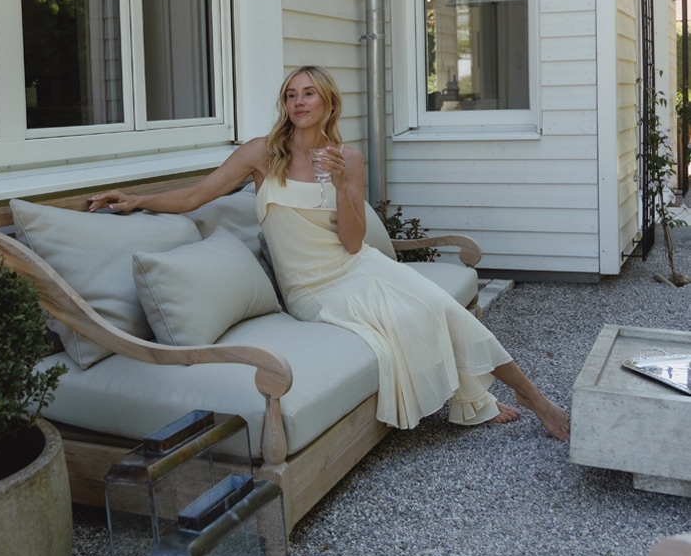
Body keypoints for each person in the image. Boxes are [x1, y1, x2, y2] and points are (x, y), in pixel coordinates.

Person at [88, 66, 570, 441]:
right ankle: (481, 397)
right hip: (311, 289)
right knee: (409, 317)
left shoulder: (348, 158)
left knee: (442, 307)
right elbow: (197, 195)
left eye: (308, 93)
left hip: (357, 265)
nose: (298, 102)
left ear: (328, 103)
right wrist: (137, 200)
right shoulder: (261, 153)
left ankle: (537, 402)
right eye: (291, 95)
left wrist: (341, 185)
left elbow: (354, 242)